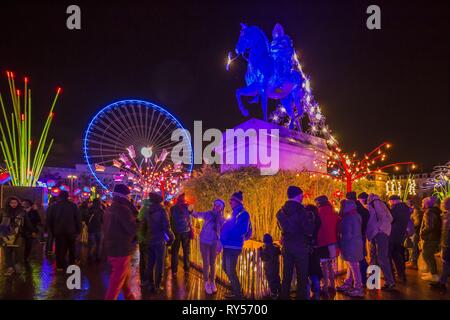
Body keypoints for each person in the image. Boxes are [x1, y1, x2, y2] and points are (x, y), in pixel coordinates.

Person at [276, 186, 313, 300]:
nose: (302, 198)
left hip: (287, 246)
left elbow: (281, 228)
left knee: (286, 274)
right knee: (302, 275)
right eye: (301, 196)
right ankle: (301, 297)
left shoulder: (280, 211)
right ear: (297, 196)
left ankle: (284, 296)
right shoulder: (302, 211)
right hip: (300, 246)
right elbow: (308, 230)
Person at [104, 184, 138, 300]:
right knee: (116, 281)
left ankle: (129, 296)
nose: (130, 198)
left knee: (125, 277)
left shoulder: (110, 208)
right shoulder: (123, 210)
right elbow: (132, 229)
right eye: (129, 195)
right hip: (121, 249)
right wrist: (138, 221)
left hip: (112, 246)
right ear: (125, 196)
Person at [220, 191, 252, 299]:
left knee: (230, 269)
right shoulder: (234, 213)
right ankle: (236, 290)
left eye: (232, 200)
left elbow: (242, 230)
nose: (230, 202)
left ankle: (238, 294)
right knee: (225, 267)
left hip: (234, 246)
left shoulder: (243, 214)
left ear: (237, 201)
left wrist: (227, 232)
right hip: (227, 244)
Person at [141, 192, 174, 293]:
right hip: (159, 240)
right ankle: (157, 286)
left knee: (150, 263)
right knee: (159, 264)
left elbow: (143, 226)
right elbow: (166, 227)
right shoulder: (162, 211)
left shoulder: (147, 211)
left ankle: (150, 283)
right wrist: (171, 238)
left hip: (149, 240)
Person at [191, 199, 225, 294]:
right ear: (213, 205)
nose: (216, 207)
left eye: (219, 206)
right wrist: (191, 211)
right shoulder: (208, 214)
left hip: (214, 243)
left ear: (222, 208)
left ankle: (212, 282)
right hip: (204, 241)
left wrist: (220, 244)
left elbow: (223, 233)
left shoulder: (222, 219)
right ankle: (206, 282)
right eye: (215, 205)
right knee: (206, 263)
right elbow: (197, 215)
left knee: (213, 263)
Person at [366, 193, 395, 290]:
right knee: (376, 257)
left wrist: (379, 229)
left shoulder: (375, 203)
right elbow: (390, 218)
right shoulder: (380, 203)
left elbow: (383, 218)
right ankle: (373, 279)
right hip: (379, 234)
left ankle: (389, 281)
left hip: (379, 234)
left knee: (381, 258)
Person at [46, 191, 81, 270]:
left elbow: (49, 220)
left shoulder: (54, 206)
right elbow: (78, 219)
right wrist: (78, 230)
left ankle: (60, 265)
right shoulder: (73, 206)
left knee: (59, 249)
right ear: (67, 196)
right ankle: (71, 264)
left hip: (58, 231)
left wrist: (52, 230)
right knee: (71, 248)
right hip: (71, 231)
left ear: (59, 196)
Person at [337, 200, 364, 297]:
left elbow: (347, 233)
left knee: (354, 266)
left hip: (350, 245)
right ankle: (348, 283)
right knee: (352, 265)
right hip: (355, 244)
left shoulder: (348, 218)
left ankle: (358, 288)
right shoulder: (356, 215)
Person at [314, 195, 339, 297]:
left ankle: (325, 286)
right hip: (333, 242)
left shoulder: (318, 213)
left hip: (322, 242)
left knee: (324, 266)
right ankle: (332, 285)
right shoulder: (334, 213)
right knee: (330, 265)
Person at [0, 197, 31, 276]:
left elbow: (27, 223)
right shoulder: (3, 211)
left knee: (18, 251)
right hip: (5, 235)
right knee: (7, 252)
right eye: (11, 203)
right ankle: (10, 268)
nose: (13, 204)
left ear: (18, 203)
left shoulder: (22, 212)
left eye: (15, 203)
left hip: (18, 235)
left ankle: (17, 266)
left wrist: (33, 230)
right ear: (8, 203)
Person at [387, 195, 411, 283]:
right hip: (400, 235)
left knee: (391, 255)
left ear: (393, 201)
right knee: (398, 255)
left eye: (390, 201)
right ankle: (401, 274)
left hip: (392, 234)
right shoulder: (406, 208)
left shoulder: (395, 209)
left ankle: (391, 276)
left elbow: (390, 220)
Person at [429, 197, 450, 292]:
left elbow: (447, 232)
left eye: (444, 203)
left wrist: (445, 245)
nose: (442, 204)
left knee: (446, 263)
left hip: (448, 245)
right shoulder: (446, 215)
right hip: (445, 244)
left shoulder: (448, 216)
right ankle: (442, 282)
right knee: (446, 264)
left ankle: (442, 283)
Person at [420, 196, 442, 282]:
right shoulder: (434, 211)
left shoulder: (428, 212)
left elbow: (430, 226)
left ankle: (434, 274)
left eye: (422, 203)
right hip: (434, 237)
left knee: (427, 255)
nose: (421, 204)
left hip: (430, 237)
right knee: (428, 255)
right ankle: (432, 272)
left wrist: (422, 233)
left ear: (426, 204)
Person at [170, 194, 193, 274]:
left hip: (176, 232)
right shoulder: (186, 207)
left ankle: (174, 270)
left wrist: (172, 229)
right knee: (186, 251)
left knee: (175, 251)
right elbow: (190, 219)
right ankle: (186, 268)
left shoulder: (172, 208)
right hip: (185, 231)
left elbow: (171, 220)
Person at [305, 204, 322, 300]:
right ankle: (316, 293)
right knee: (314, 271)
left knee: (306, 273)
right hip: (315, 248)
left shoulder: (306, 222)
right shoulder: (318, 220)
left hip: (306, 249)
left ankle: (307, 294)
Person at [258, 233, 281, 299]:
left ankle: (274, 293)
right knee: (276, 278)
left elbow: (264, 258)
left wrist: (260, 251)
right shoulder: (275, 248)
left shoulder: (266, 249)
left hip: (269, 268)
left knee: (271, 280)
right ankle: (279, 291)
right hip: (276, 267)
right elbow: (279, 252)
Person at [22, 199, 41, 264]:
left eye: (26, 203)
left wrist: (35, 210)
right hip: (21, 231)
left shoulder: (33, 212)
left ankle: (26, 257)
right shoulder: (20, 211)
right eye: (23, 203)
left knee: (29, 245)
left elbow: (38, 220)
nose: (24, 204)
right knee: (21, 245)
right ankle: (21, 257)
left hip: (31, 231)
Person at [86, 198, 104, 262]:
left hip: (91, 229)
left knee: (91, 244)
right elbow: (103, 220)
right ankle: (98, 257)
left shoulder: (89, 209)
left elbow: (86, 219)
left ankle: (90, 256)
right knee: (99, 244)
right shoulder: (101, 210)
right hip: (99, 229)